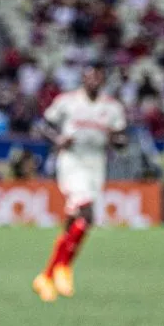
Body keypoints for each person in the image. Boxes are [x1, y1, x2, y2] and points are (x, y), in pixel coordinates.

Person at [32, 62, 127, 302]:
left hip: (96, 164)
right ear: (83, 80)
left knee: (77, 219)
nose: (93, 81)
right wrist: (57, 139)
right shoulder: (67, 102)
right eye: (88, 77)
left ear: (102, 80)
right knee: (88, 213)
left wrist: (116, 140)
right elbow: (43, 125)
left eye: (97, 77)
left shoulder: (112, 108)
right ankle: (63, 267)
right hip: (72, 162)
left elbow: (121, 139)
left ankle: (47, 275)